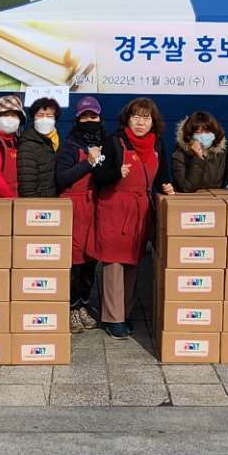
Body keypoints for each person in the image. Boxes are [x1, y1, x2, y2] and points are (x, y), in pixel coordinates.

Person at [91, 97, 174, 340]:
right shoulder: (114, 142)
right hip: (114, 207)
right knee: (113, 264)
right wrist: (116, 173)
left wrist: (167, 186)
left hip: (141, 210)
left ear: (153, 122)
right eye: (136, 116)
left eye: (146, 117)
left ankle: (125, 313)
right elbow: (99, 176)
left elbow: (162, 176)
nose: (140, 122)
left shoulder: (157, 144)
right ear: (127, 119)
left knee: (132, 263)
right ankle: (112, 318)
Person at [56, 96, 105, 334]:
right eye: (84, 116)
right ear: (77, 119)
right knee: (73, 264)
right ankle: (71, 307)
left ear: (100, 117)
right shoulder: (68, 146)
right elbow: (62, 178)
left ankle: (84, 304)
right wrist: (87, 162)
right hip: (73, 208)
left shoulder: (106, 143)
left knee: (90, 263)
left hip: (96, 208)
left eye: (93, 116)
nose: (89, 120)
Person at [171, 110, 227, 193]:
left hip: (215, 201)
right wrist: (198, 158)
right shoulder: (179, 155)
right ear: (189, 135)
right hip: (189, 202)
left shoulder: (221, 152)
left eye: (207, 132)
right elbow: (187, 188)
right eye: (198, 132)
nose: (203, 136)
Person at [18, 97, 61, 198]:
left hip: (53, 199)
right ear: (33, 118)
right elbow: (26, 187)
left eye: (49, 116)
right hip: (39, 204)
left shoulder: (55, 141)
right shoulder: (27, 145)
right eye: (40, 115)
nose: (44, 119)